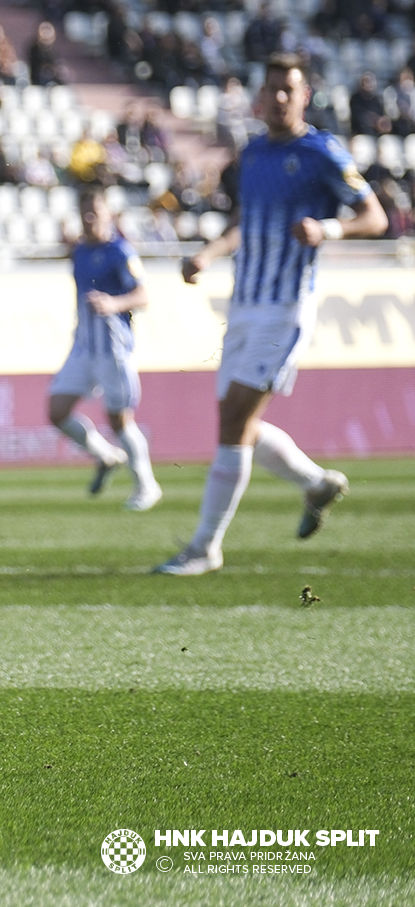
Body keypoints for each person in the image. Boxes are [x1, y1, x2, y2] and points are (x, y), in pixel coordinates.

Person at [156, 54, 388, 576]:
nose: (280, 98)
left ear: (304, 97)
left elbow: (374, 217)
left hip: (285, 308)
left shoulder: (322, 153)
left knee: (235, 419)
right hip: (243, 305)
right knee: (238, 421)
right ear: (259, 98)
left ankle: (204, 547)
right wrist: (208, 254)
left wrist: (328, 230)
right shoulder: (254, 154)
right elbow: (247, 218)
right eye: (273, 89)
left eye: (290, 89)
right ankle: (315, 483)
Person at [47, 189, 161, 511]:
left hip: (113, 348)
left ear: (109, 214)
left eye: (95, 211)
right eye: (84, 212)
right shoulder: (80, 251)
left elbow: (143, 296)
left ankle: (147, 486)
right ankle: (106, 455)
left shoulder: (120, 252)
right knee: (56, 411)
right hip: (83, 347)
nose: (89, 218)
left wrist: (114, 303)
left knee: (119, 420)